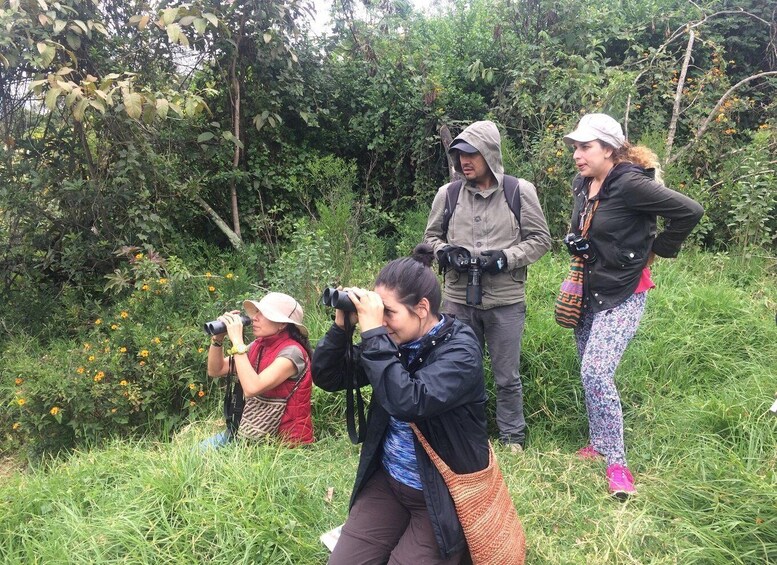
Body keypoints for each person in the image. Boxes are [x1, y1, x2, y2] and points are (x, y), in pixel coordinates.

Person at [312, 244, 489, 564]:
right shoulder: (394, 341)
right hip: (390, 482)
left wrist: (374, 332)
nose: (382, 321)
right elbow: (328, 376)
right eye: (379, 311)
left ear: (421, 308)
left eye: (388, 313)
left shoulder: (460, 351)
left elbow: (408, 401)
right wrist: (341, 326)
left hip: (439, 492)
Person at [562, 113, 703, 498]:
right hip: (589, 288)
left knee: (595, 372)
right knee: (587, 368)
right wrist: (575, 240)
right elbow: (591, 226)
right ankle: (597, 442)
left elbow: (690, 211)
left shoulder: (631, 184)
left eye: (585, 146)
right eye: (575, 146)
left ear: (609, 149)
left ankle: (618, 464)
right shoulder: (585, 183)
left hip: (623, 291)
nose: (577, 154)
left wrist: (656, 250)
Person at [424, 120, 551, 451]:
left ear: (490, 154)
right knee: (455, 371)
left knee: (506, 376)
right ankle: (464, 434)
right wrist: (445, 252)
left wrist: (505, 258)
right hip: (456, 299)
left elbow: (540, 240)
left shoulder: (518, 191)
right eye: (459, 154)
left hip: (505, 300)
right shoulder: (448, 194)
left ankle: (512, 438)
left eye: (471, 154)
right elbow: (430, 238)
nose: (464, 161)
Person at [203, 292, 314, 448]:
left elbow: (252, 388)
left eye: (264, 314)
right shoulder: (258, 345)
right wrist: (218, 339)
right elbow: (216, 370)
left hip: (285, 443)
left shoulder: (293, 353)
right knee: (195, 454)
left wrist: (237, 340)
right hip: (254, 432)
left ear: (282, 324)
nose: (255, 317)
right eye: (257, 312)